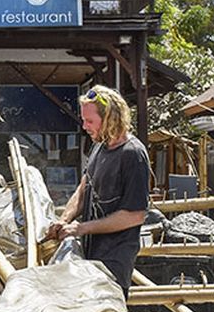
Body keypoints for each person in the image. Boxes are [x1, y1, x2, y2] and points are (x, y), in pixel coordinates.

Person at [49, 84, 149, 292]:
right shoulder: (99, 147)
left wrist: (82, 228)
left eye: (90, 121)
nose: (84, 126)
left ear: (111, 118)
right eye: (84, 120)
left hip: (113, 262)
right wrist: (64, 219)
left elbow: (135, 216)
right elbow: (84, 189)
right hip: (90, 253)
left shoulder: (132, 154)